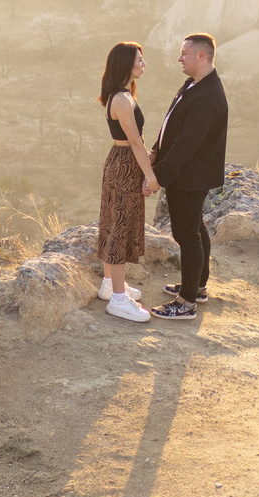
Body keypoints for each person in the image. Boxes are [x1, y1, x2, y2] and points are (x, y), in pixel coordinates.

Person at [148, 32, 228, 319]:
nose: (179, 58)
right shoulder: (194, 85)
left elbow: (186, 145)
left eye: (184, 53)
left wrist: (158, 176)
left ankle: (186, 302)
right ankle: (198, 287)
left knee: (187, 235)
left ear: (201, 56)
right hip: (189, 173)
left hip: (190, 175)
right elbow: (171, 124)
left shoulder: (207, 95)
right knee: (196, 228)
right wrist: (156, 151)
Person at [94, 40, 156, 323]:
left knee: (113, 222)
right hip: (125, 166)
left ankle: (110, 284)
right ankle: (118, 299)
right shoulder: (121, 99)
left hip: (120, 163)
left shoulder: (120, 95)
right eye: (139, 60)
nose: (144, 65)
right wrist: (151, 176)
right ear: (125, 64)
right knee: (119, 226)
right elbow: (135, 142)